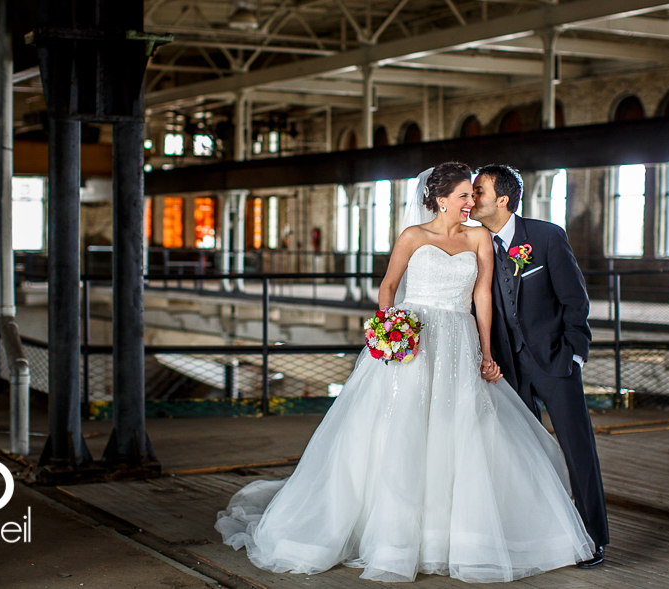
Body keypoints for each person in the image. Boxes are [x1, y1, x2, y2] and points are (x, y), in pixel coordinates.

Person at [214, 163, 594, 583]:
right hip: (415, 340)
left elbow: (483, 296)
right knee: (400, 430)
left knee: (461, 429)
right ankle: (394, 538)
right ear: (440, 199)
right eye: (465, 195)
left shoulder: (480, 238)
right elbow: (389, 286)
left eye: (475, 194)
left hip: (459, 338)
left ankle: (454, 537)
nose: (472, 202)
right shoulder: (413, 236)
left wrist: (487, 353)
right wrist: (387, 328)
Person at [469, 164, 609, 567]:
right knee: (520, 453)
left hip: (554, 362)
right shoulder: (474, 242)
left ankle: (593, 538)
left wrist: (574, 354)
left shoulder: (547, 237)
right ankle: (537, 534)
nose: (472, 198)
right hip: (505, 370)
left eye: (479, 191)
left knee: (578, 450)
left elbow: (575, 301)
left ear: (503, 199)